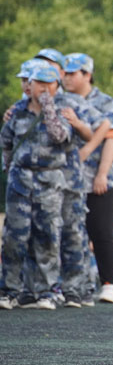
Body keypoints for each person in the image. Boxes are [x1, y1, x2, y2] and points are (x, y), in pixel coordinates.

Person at [0, 64, 72, 310]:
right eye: (35, 83)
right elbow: (6, 143)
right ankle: (10, 290)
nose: (39, 88)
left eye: (46, 84)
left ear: (55, 87)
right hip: (20, 182)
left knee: (47, 238)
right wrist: (8, 167)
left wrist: (48, 108)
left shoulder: (62, 112)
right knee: (14, 238)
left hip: (49, 183)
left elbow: (60, 136)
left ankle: (46, 292)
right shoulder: (17, 112)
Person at [63, 53, 113, 304]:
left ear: (87, 75)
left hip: (98, 178)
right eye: (64, 73)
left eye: (72, 73)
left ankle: (109, 283)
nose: (67, 78)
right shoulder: (62, 100)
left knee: (100, 231)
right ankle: (74, 283)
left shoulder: (104, 102)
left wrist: (102, 174)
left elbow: (112, 137)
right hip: (68, 178)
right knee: (70, 232)